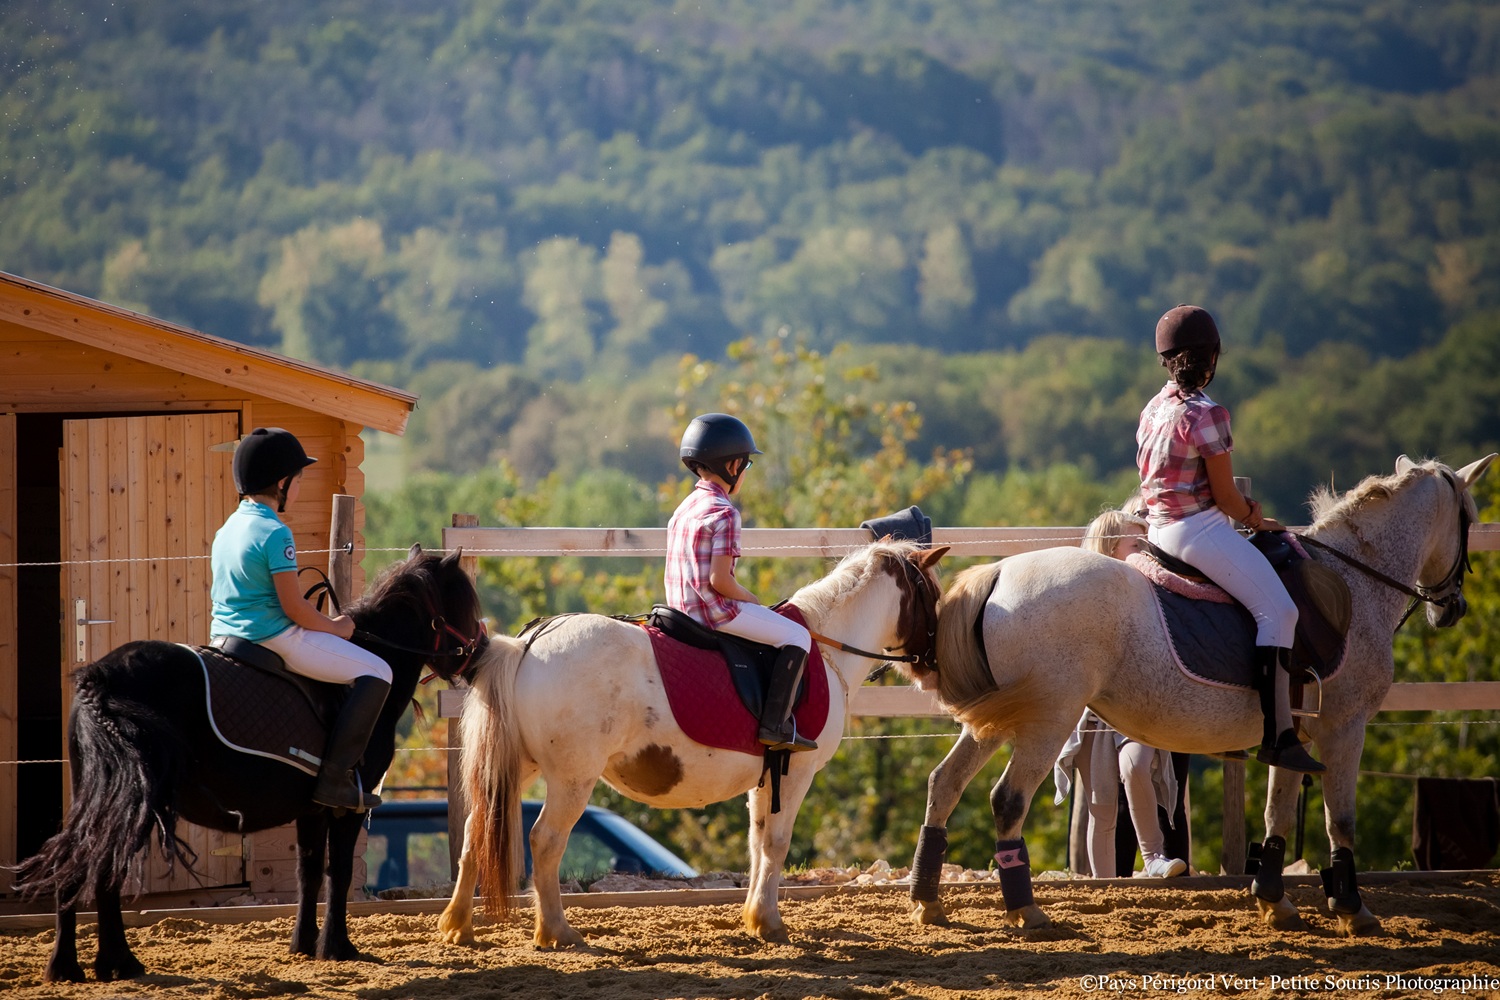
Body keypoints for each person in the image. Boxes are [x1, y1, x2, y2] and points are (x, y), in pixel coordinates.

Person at [1136, 305, 1322, 773]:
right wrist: (1258, 518)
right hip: (1197, 530)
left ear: (1166, 360)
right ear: (1211, 359)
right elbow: (1225, 497)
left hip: (1156, 527)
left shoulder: (1153, 408)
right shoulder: (1208, 413)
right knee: (1279, 611)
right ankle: (1278, 733)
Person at [210, 427, 393, 810]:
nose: (298, 488)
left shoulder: (227, 528)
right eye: (298, 479)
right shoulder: (276, 533)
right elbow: (294, 609)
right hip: (273, 637)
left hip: (224, 636)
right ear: (281, 482)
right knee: (379, 672)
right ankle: (334, 780)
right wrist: (338, 628)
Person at [665, 412, 816, 752]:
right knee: (798, 635)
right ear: (732, 466)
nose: (744, 473)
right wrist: (751, 598)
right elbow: (720, 581)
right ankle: (775, 726)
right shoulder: (725, 512)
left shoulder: (685, 507)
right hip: (713, 614)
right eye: (746, 466)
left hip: (679, 611)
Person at [1054, 505, 1187, 879]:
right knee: (1101, 803)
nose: (1145, 549)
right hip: (1095, 709)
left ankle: (1153, 858)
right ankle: (1106, 885)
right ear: (1110, 547)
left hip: (1137, 704)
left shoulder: (1150, 588)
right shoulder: (1085, 599)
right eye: (1136, 542)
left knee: (1136, 765)